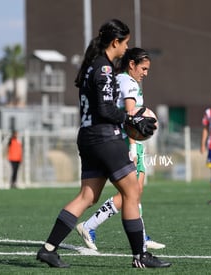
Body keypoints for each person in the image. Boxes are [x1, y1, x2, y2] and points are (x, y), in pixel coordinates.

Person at [36, 19, 170, 269]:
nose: (126, 47)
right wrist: (131, 120)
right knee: (132, 192)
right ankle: (141, 255)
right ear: (115, 42)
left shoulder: (90, 66)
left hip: (87, 136)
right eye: (125, 42)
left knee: (88, 195)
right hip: (105, 137)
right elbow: (106, 109)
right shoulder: (105, 69)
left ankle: (49, 249)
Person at [76, 47, 165, 251]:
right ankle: (89, 226)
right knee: (132, 192)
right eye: (143, 68)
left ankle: (141, 235)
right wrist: (133, 147)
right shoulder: (128, 82)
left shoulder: (124, 79)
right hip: (127, 142)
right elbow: (130, 116)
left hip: (125, 141)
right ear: (132, 64)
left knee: (135, 192)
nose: (146, 73)